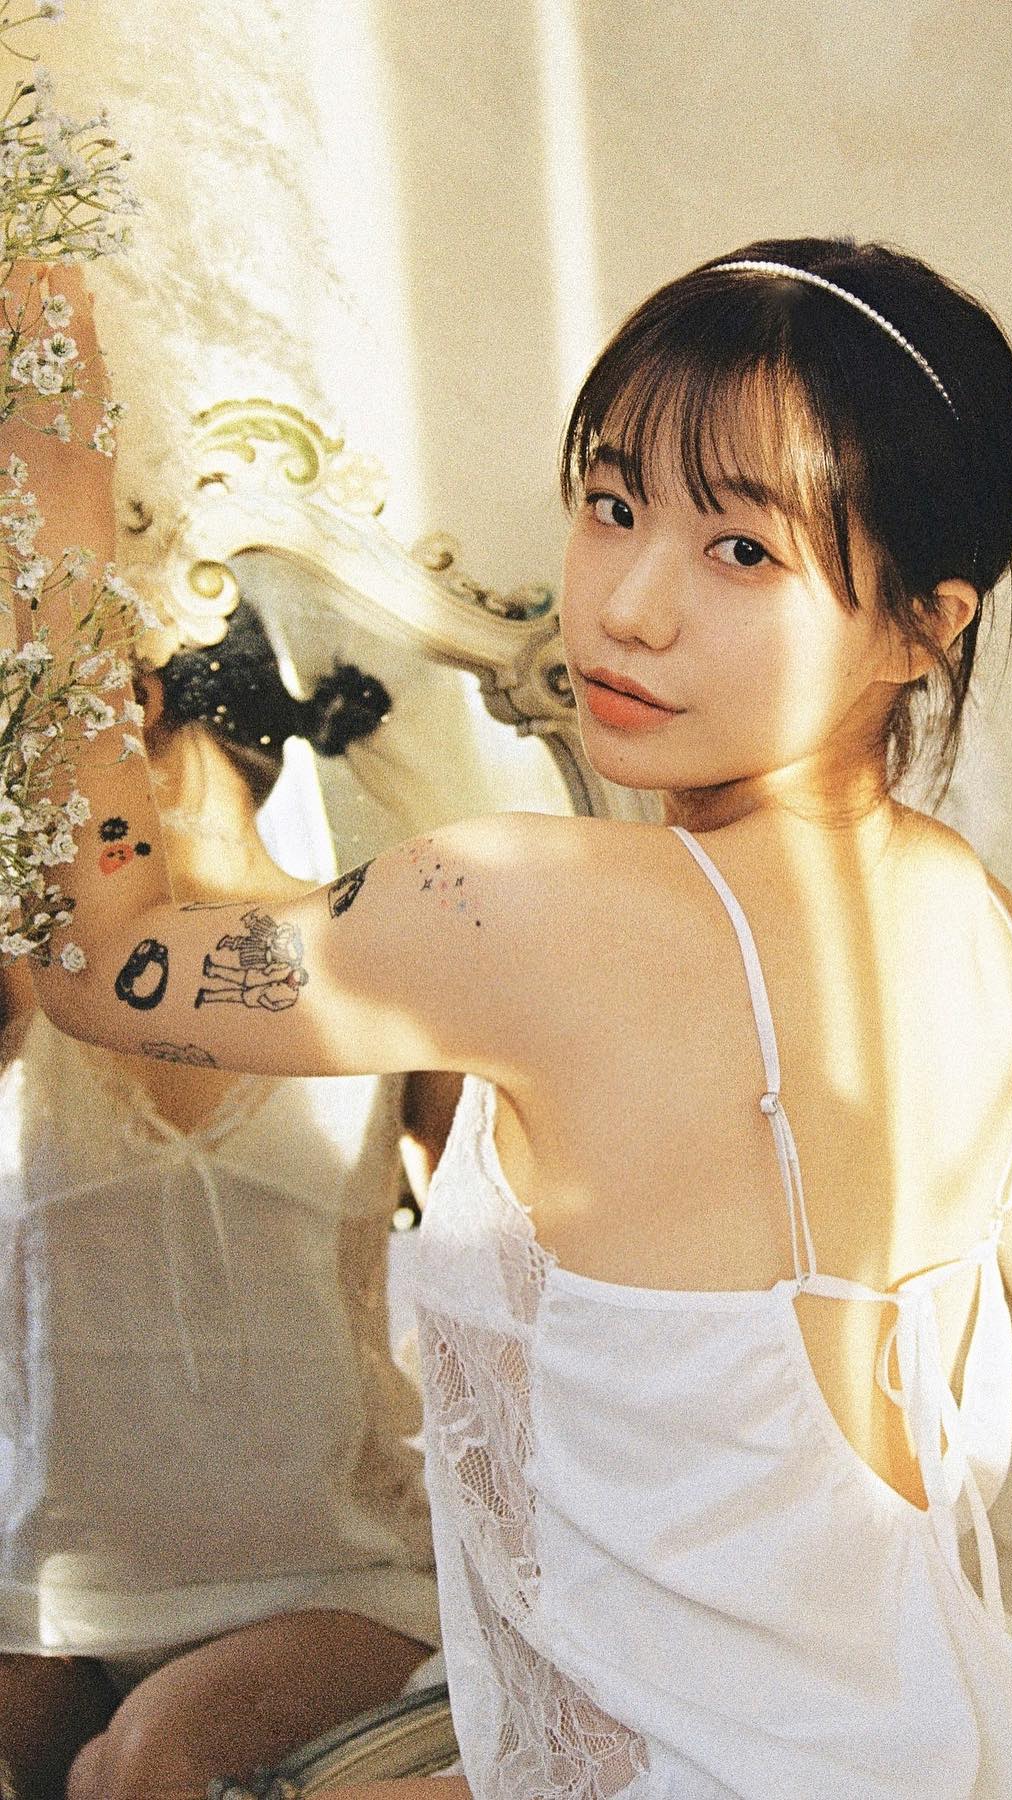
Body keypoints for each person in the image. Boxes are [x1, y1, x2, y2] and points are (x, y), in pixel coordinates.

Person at [5, 238, 1012, 1800]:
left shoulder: (521, 910)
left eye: (741, 550)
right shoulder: (991, 943)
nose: (629, 605)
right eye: (613, 505)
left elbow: (101, 959)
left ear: (921, 625)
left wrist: (53, 503)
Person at [0, 596, 461, 1800]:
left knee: (140, 1767)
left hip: (334, 1579)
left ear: (132, 701)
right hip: (45, 1586)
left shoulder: (390, 963)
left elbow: (529, 1282)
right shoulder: (25, 976)